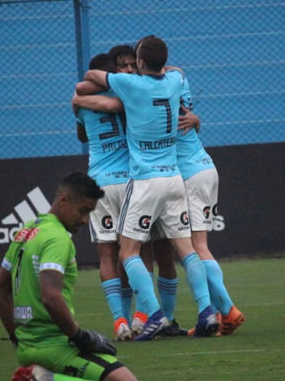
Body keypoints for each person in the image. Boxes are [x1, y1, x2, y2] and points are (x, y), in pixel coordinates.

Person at [83, 35, 218, 340]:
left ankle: (154, 316)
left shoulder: (131, 84)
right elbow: (176, 71)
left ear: (140, 62)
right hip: (174, 178)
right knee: (186, 250)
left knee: (127, 251)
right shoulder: (173, 81)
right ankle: (206, 310)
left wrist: (82, 99)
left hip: (145, 181)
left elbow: (91, 76)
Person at [0, 172, 138, 381]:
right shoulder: (57, 237)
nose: (85, 220)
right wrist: (79, 336)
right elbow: (50, 296)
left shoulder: (27, 230)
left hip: (26, 349)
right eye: (83, 211)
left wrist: (17, 338)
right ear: (63, 200)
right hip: (57, 346)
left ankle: (44, 377)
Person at [174, 78, 245, 336]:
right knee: (198, 246)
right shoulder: (177, 79)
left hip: (189, 174)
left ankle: (227, 310)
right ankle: (216, 315)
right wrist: (196, 121)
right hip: (204, 166)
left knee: (195, 247)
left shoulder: (150, 88)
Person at [73, 53, 133, 341]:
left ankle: (119, 320)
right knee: (132, 252)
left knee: (106, 254)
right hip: (130, 180)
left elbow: (82, 136)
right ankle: (136, 317)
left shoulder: (81, 102)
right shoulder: (128, 95)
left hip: (100, 183)